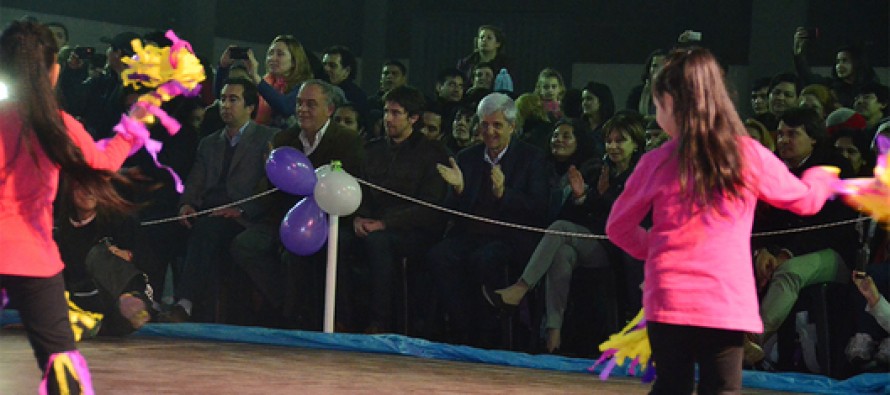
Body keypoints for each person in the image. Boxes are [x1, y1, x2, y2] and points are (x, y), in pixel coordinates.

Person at [605, 47, 840, 394]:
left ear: (672, 104)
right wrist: (821, 177)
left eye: (657, 105)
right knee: (722, 388)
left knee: (671, 386)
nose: (656, 114)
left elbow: (617, 227)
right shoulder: (747, 154)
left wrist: (655, 247)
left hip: (669, 298)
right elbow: (804, 201)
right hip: (725, 299)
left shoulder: (656, 161)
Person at [0, 20, 140, 393]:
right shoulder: (57, 125)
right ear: (55, 70)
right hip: (33, 258)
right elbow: (104, 166)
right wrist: (135, 125)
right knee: (63, 369)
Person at [491, 115, 644, 353]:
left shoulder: (643, 175)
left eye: (620, 141)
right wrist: (581, 197)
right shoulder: (597, 169)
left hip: (619, 250)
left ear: (635, 144)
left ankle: (520, 288)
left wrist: (601, 197)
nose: (613, 146)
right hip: (590, 241)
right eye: (609, 141)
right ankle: (554, 334)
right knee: (561, 253)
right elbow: (577, 214)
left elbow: (631, 218)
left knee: (560, 228)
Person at [216, 35, 314, 128]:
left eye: (280, 54)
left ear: (294, 61)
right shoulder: (264, 83)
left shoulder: (305, 87)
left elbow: (285, 107)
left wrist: (256, 77)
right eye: (271, 53)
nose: (273, 58)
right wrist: (223, 67)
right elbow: (220, 96)